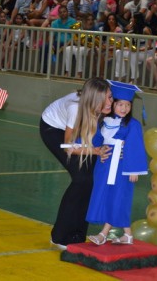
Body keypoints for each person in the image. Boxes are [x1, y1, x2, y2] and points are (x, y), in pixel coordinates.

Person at [40, 78, 113, 250]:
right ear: (95, 99)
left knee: (90, 180)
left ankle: (78, 235)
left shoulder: (102, 107)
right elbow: (69, 147)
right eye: (108, 98)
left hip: (81, 130)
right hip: (54, 129)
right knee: (81, 179)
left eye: (111, 96)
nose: (111, 101)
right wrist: (95, 151)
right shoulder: (75, 109)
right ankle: (59, 236)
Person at [87, 81, 148, 245]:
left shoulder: (132, 125)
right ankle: (127, 235)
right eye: (120, 104)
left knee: (118, 198)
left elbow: (136, 147)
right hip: (104, 166)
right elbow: (97, 141)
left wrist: (133, 170)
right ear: (113, 104)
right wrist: (97, 148)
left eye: (127, 105)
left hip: (122, 168)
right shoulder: (104, 122)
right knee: (109, 197)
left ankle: (103, 234)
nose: (124, 108)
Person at [41, 5, 76, 73]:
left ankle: (66, 72)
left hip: (69, 43)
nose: (63, 13)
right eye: (61, 12)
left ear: (67, 12)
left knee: (66, 49)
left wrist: (65, 46)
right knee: (44, 47)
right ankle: (44, 70)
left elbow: (74, 37)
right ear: (59, 14)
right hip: (57, 43)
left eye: (64, 12)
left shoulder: (73, 21)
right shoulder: (54, 23)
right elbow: (51, 35)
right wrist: (51, 44)